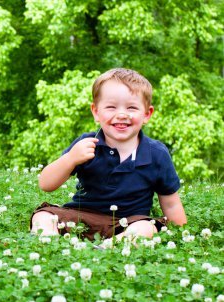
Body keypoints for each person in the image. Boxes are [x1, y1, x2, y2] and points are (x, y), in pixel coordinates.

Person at [30, 68, 187, 242]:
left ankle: (110, 247)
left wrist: (182, 235)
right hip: (82, 217)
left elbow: (171, 203)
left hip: (127, 223)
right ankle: (49, 243)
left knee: (146, 228)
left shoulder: (156, 154)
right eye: (111, 107)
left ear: (147, 114)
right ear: (96, 112)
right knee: (43, 216)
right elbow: (46, 184)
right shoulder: (86, 143)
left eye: (132, 107)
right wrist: (71, 158)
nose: (121, 114)